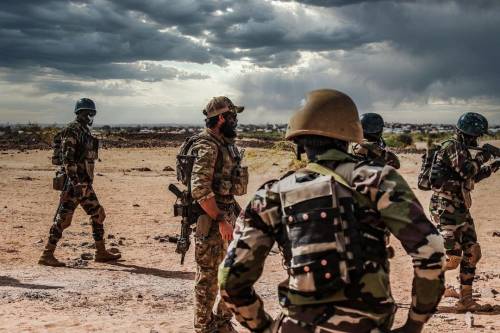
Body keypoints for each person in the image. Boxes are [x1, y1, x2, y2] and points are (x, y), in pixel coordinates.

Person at [219, 89, 445, 333]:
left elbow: (230, 279)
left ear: (299, 142)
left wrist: (262, 326)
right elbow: (431, 252)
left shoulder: (272, 194)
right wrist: (414, 323)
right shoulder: (378, 180)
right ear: (350, 136)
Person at [189, 96, 248, 333]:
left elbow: (224, 190)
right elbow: (200, 189)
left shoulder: (223, 144)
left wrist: (238, 213)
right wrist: (222, 220)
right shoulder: (207, 145)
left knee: (233, 273)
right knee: (208, 278)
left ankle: (222, 322)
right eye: (233, 116)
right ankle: (204, 328)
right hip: (211, 221)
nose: (236, 121)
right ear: (222, 118)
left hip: (225, 218)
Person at [39, 98, 121, 267]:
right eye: (87, 113)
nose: (90, 116)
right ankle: (47, 255)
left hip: (83, 184)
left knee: (96, 214)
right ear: (79, 113)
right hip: (75, 184)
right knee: (65, 219)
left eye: (92, 113)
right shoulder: (72, 130)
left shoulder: (83, 131)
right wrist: (75, 183)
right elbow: (67, 160)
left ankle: (100, 252)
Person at [430, 112, 497, 311]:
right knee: (452, 258)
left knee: (472, 252)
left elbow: (470, 178)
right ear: (467, 133)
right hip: (446, 208)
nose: (476, 139)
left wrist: (493, 166)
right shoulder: (451, 146)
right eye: (475, 135)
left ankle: (465, 299)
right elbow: (467, 170)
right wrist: (485, 155)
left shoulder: (462, 150)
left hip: (461, 208)